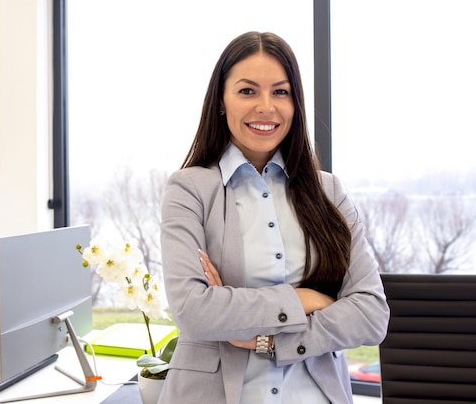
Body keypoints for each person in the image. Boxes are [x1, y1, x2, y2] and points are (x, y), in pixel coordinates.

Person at [158, 31, 389, 404]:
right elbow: (193, 311)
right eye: (247, 91)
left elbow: (371, 315)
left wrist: (264, 340)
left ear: (295, 103)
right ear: (221, 100)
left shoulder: (329, 192)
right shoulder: (189, 190)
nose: (266, 107)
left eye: (280, 92)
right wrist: (306, 299)